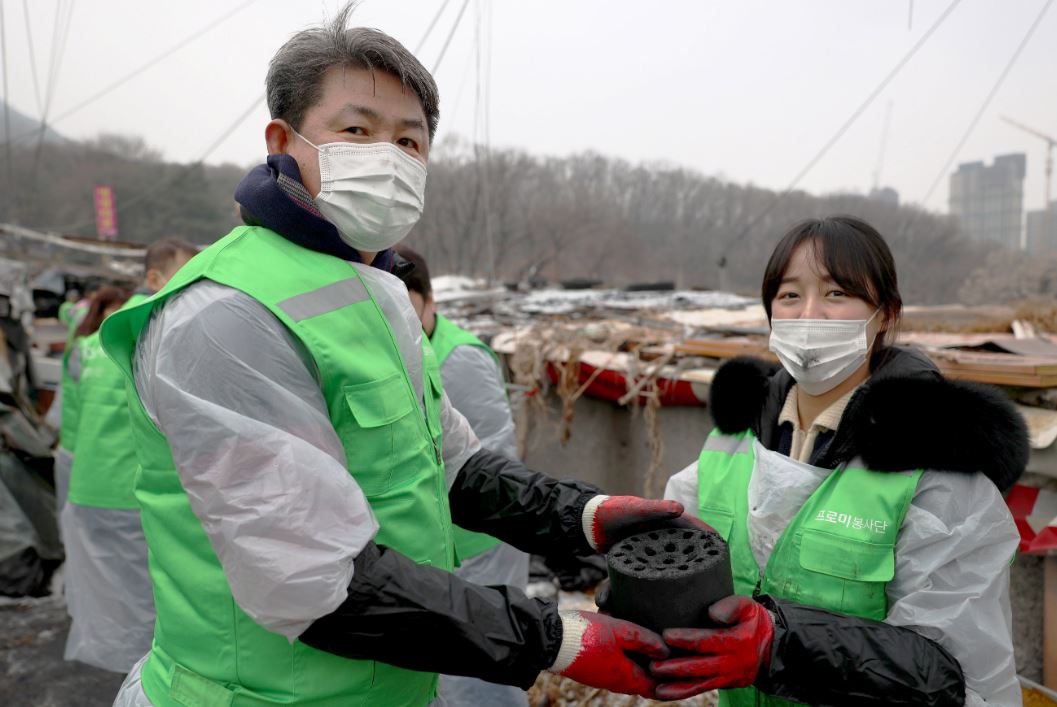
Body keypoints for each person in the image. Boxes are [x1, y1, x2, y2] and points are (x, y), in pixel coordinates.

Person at [101, 7, 700, 706]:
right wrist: (555, 638)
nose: (387, 157)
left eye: (409, 142)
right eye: (356, 131)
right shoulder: (226, 315)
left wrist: (585, 513)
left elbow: (450, 465)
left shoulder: (371, 292)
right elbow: (313, 581)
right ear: (282, 140)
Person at [657, 216, 1025, 706]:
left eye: (836, 294)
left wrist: (777, 647)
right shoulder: (731, 445)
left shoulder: (933, 475)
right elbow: (679, 558)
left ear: (886, 314)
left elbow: (947, 674)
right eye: (790, 296)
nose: (809, 315)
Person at [396, 244, 531, 707]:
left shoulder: (460, 360)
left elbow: (491, 464)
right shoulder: (393, 355)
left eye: (408, 310)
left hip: (477, 546)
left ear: (430, 302)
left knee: (481, 666)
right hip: (435, 547)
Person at [62, 239, 197, 673]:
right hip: (137, 493)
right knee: (149, 602)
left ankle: (123, 673)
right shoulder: (162, 331)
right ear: (155, 278)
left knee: (109, 599)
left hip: (88, 486)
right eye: (184, 274)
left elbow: (72, 422)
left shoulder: (93, 342)